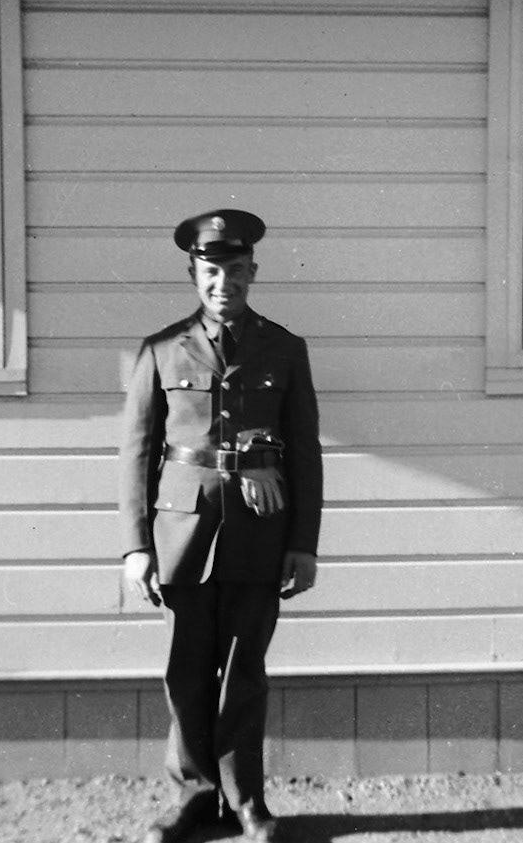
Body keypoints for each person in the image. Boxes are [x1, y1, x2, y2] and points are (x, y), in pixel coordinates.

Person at [120, 209, 324, 843]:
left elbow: (305, 451)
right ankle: (193, 798)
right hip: (181, 535)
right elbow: (137, 451)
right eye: (211, 272)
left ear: (252, 273)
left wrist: (303, 545)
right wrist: (135, 547)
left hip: (259, 533)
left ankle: (246, 802)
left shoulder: (284, 348)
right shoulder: (159, 350)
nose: (222, 284)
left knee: (244, 671)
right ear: (194, 273)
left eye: (235, 271)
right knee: (186, 670)